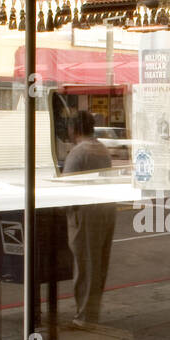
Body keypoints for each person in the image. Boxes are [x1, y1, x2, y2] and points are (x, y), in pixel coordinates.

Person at [62, 111, 116, 327]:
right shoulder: (101, 149)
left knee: (85, 265)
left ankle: (84, 317)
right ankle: (91, 312)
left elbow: (67, 189)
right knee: (98, 265)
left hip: (85, 214)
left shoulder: (78, 153)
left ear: (74, 129)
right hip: (104, 210)